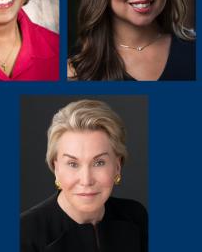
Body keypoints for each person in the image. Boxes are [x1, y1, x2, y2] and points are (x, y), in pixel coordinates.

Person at [21, 99, 148, 252]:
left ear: (117, 166)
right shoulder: (23, 232)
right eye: (73, 164)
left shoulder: (135, 216)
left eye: (99, 162)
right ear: (56, 168)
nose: (86, 180)